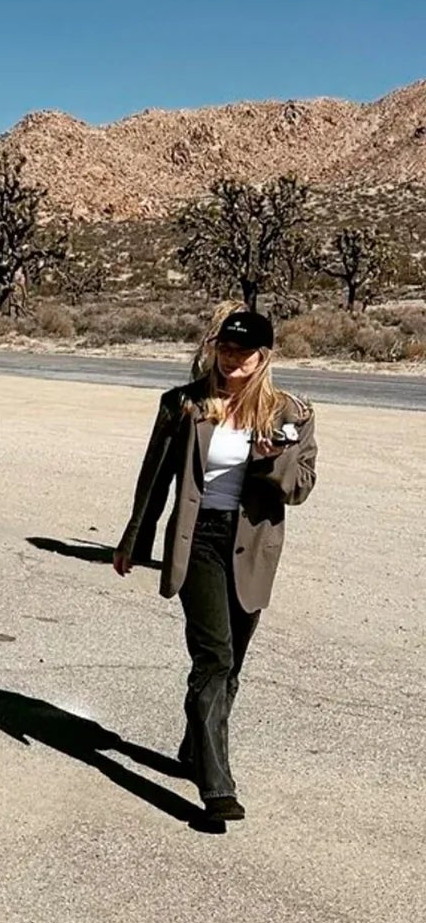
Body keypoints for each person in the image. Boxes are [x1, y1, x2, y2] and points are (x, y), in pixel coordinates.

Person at [113, 304, 318, 825]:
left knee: (232, 667)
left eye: (241, 352)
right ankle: (216, 785)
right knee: (215, 659)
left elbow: (300, 488)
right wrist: (134, 540)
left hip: (251, 547)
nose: (230, 360)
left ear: (263, 357)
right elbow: (154, 477)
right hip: (197, 540)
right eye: (224, 349)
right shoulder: (184, 404)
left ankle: (194, 747)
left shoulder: (291, 414)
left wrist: (271, 461)